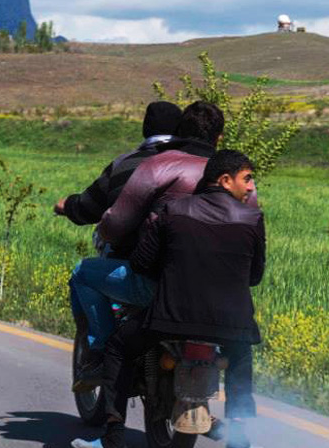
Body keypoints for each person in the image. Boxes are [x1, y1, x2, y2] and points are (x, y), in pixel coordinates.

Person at [71, 149, 267, 448]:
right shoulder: (253, 219)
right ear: (225, 180)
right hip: (232, 324)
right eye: (248, 178)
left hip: (172, 316)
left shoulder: (174, 210)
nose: (251, 187)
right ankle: (239, 439)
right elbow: (255, 276)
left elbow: (142, 263)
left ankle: (113, 439)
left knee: (118, 348)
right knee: (241, 355)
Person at [68, 101, 225, 375]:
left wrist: (97, 225)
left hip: (155, 280)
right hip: (216, 292)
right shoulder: (232, 176)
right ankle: (239, 410)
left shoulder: (152, 166)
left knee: (83, 273)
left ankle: (100, 350)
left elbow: (113, 221)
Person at [54, 101, 182, 225]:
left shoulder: (124, 163)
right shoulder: (198, 162)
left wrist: (69, 205)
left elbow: (90, 208)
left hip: (134, 244)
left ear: (145, 129)